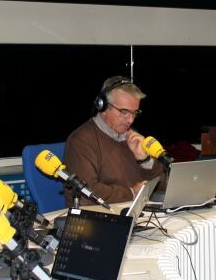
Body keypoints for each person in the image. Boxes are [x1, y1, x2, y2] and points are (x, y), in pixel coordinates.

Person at [63, 76, 163, 207]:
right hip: (96, 218)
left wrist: (145, 161)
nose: (130, 120)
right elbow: (85, 194)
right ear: (103, 106)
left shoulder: (133, 137)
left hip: (131, 212)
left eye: (134, 113)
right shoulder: (81, 141)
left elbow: (162, 185)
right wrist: (131, 193)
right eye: (124, 112)